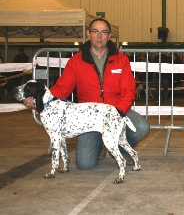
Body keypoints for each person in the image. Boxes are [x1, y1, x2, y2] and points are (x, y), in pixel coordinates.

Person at [24, 18, 150, 170]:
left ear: (109, 36)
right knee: (85, 164)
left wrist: (117, 112)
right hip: (88, 117)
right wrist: (39, 100)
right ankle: (102, 146)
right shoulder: (76, 61)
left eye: (103, 32)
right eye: (95, 32)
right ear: (88, 34)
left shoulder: (121, 60)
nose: (99, 36)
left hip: (115, 109)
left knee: (142, 126)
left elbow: (129, 90)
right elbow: (62, 88)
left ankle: (121, 150)